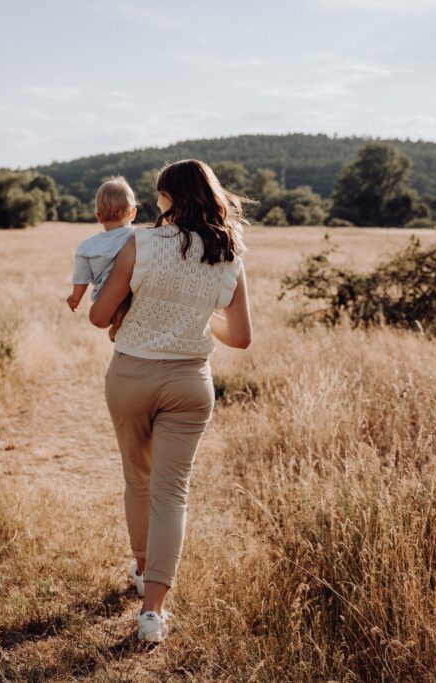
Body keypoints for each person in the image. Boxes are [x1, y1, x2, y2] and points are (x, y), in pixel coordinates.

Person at [88, 159, 253, 643]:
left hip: (131, 375)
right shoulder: (230, 252)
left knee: (138, 480)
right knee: (172, 493)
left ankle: (142, 568)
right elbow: (240, 337)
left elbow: (100, 317)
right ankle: (153, 613)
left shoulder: (139, 242)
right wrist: (201, 320)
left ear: (167, 198)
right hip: (189, 384)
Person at [67, 176, 137, 340]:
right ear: (133, 213)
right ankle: (121, 318)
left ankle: (116, 321)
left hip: (104, 300)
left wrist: (75, 299)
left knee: (105, 321)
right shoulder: (137, 237)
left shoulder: (87, 247)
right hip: (133, 293)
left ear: (99, 216)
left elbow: (81, 278)